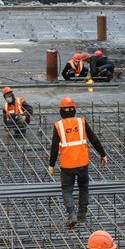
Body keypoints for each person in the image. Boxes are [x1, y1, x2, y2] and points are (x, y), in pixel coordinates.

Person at [48, 97, 108, 228]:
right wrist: (102, 154)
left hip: (67, 165)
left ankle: (72, 214)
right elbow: (93, 139)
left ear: (61, 111)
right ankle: (82, 215)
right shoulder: (81, 122)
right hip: (82, 163)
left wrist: (51, 165)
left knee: (67, 190)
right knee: (83, 187)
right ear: (74, 110)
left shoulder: (59, 125)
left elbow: (54, 146)